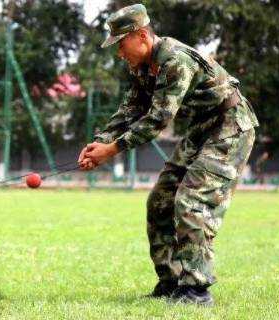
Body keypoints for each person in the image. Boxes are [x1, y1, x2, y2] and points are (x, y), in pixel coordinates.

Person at [77, 4, 258, 306]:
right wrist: (100, 143)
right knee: (160, 200)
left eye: (121, 44)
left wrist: (112, 150)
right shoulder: (142, 67)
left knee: (192, 200)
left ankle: (196, 289)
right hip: (203, 127)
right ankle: (172, 281)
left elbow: (159, 119)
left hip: (230, 127)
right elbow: (132, 108)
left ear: (142, 36)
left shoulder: (175, 60)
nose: (120, 53)